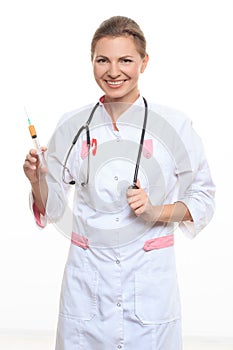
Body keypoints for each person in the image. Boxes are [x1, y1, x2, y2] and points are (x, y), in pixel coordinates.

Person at [23, 16, 215, 350]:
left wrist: (157, 211)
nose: (114, 71)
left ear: (144, 61)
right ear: (92, 62)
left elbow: (203, 198)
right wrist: (36, 180)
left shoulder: (175, 125)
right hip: (87, 289)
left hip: (149, 288)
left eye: (125, 60)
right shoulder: (72, 125)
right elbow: (52, 207)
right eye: (103, 60)